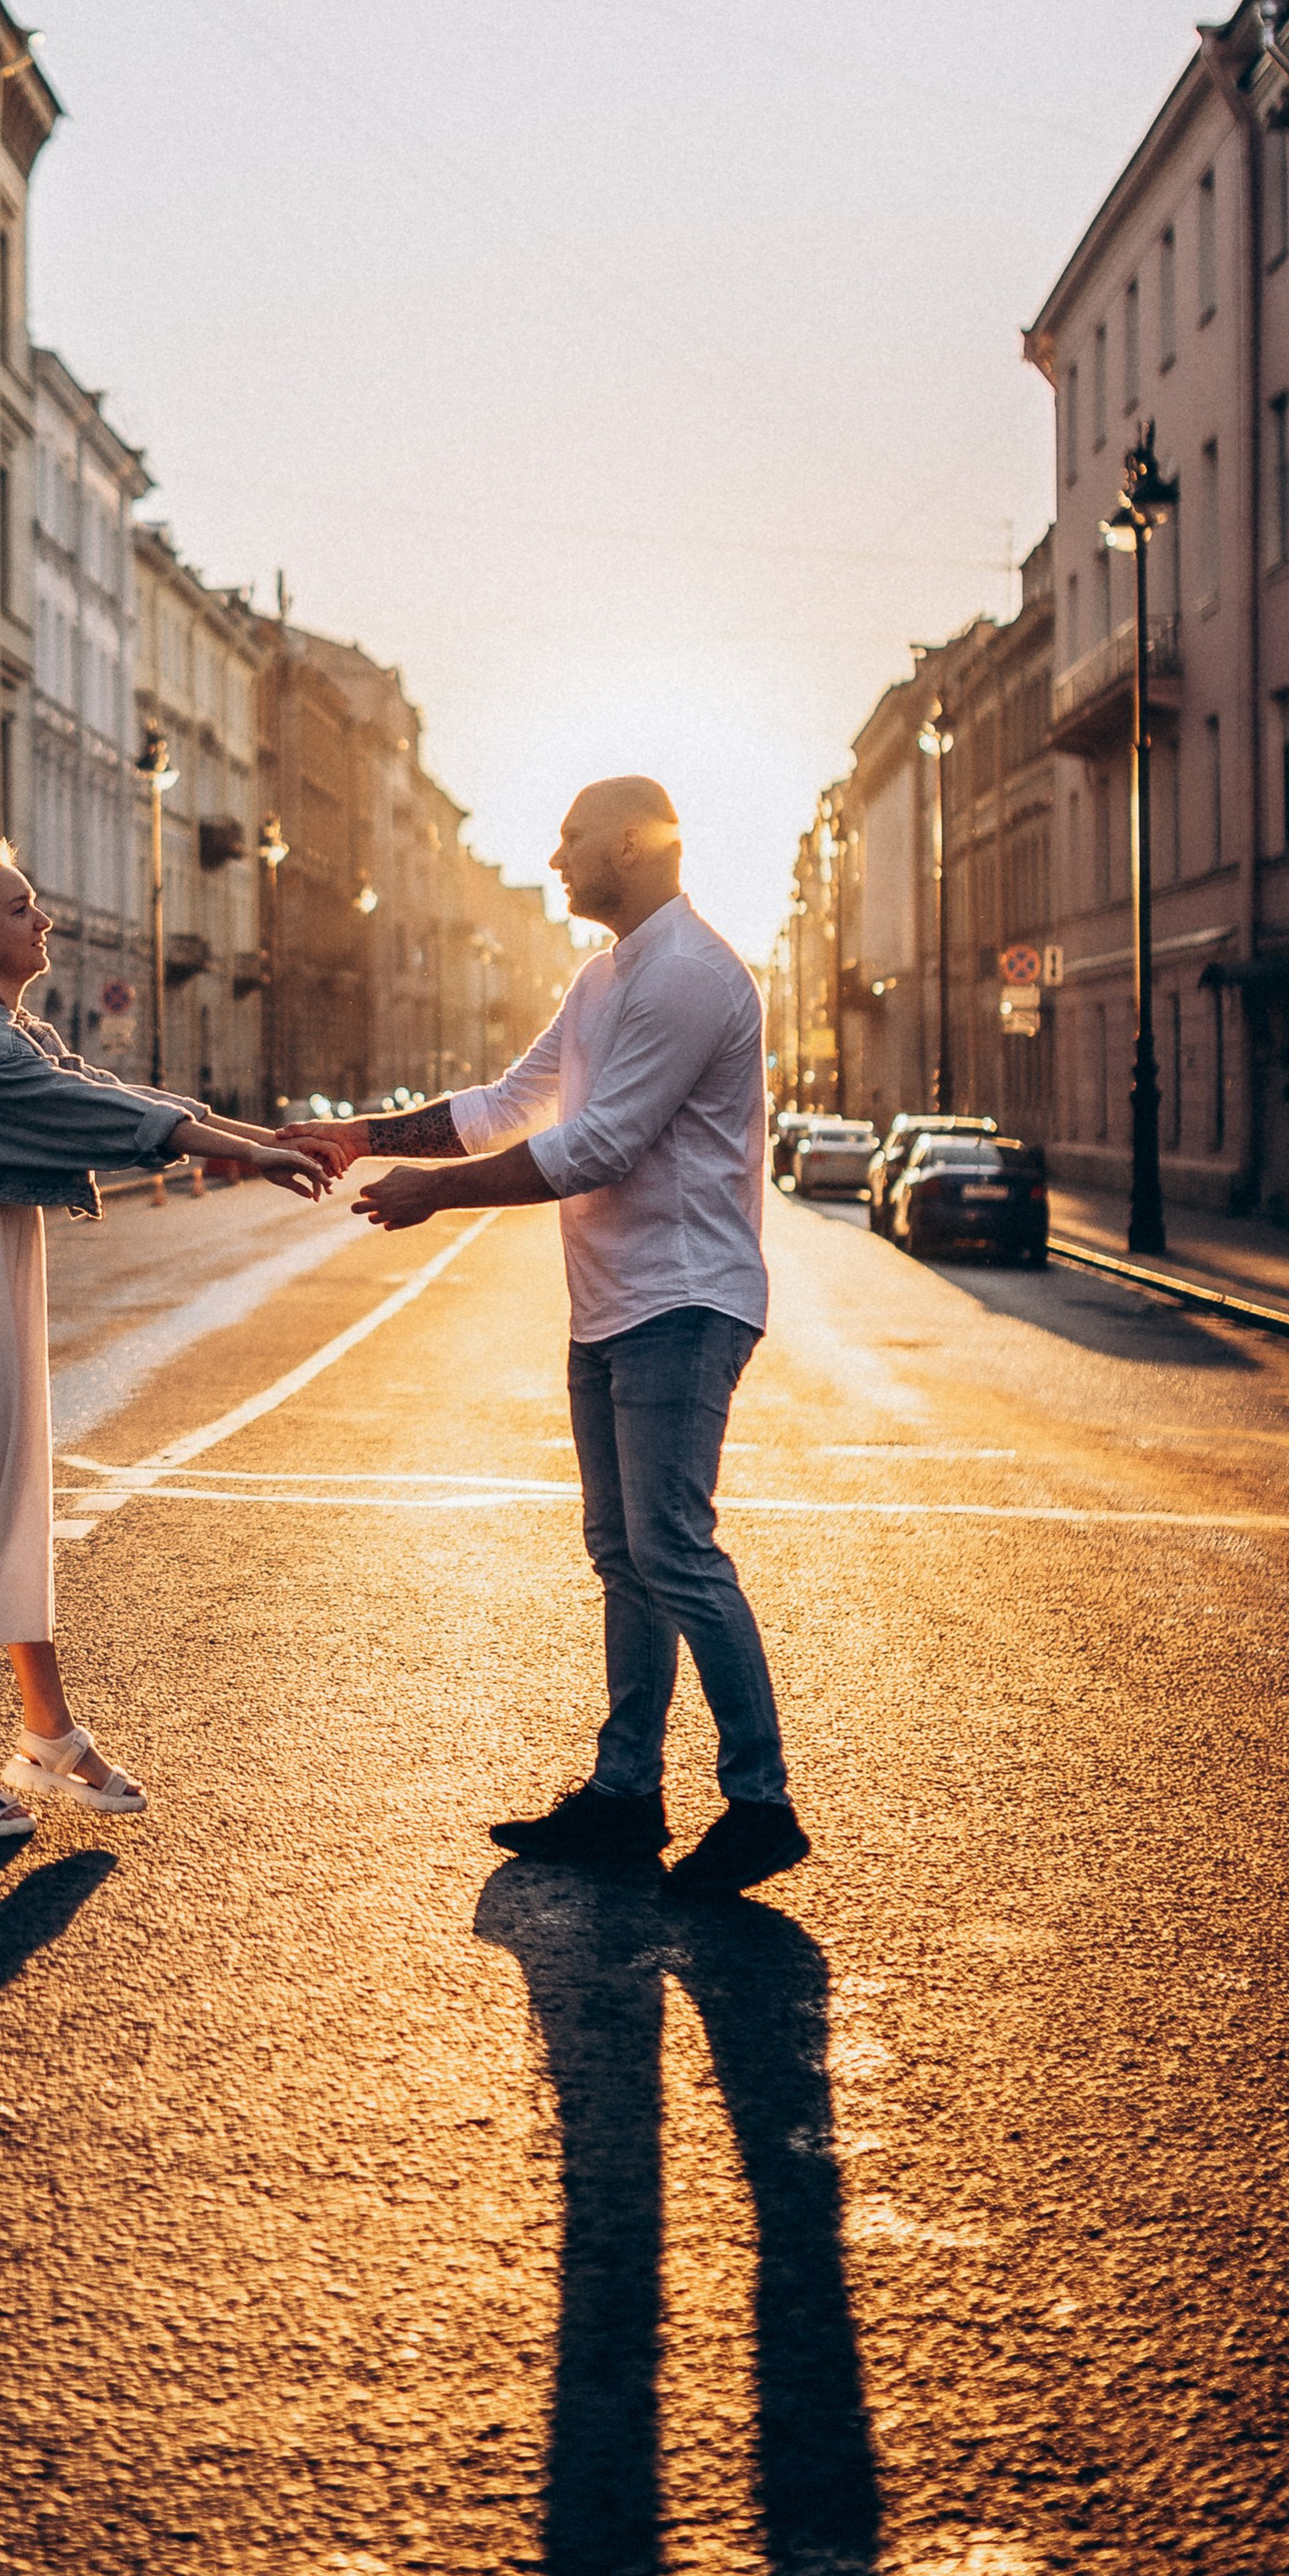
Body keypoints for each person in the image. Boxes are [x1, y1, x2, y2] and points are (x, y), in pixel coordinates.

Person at [302, 775, 807, 1899]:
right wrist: (361, 1132)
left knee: (672, 1547)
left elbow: (601, 1144)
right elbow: (505, 1102)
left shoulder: (689, 974)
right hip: (614, 1302)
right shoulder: (600, 976)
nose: (554, 854)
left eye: (573, 836)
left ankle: (760, 1801)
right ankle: (626, 1795)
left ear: (632, 843)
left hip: (683, 1298)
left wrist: (437, 1190)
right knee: (624, 1555)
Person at [0, 839, 336, 1838]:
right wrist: (258, 1156)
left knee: (13, 1492)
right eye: (20, 906)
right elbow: (100, 1111)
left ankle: (47, 1727)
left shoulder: (11, 1027)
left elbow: (126, 1094)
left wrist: (274, 1142)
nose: (44, 920)